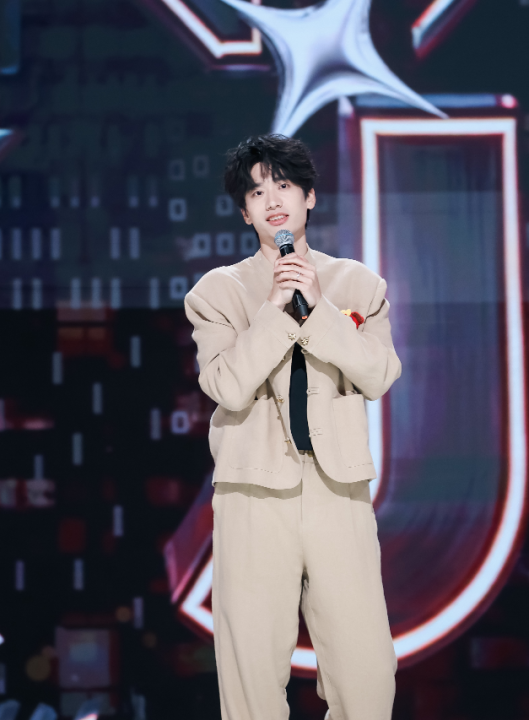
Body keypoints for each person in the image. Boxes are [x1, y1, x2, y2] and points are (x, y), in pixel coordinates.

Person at [184, 133, 401, 720]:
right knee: (251, 677)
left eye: (283, 185)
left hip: (339, 490)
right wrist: (275, 309)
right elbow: (227, 386)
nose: (272, 200)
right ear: (244, 212)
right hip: (253, 492)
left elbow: (379, 374)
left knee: (367, 677)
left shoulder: (359, 285)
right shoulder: (218, 293)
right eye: (257, 192)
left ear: (309, 196)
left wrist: (320, 308)